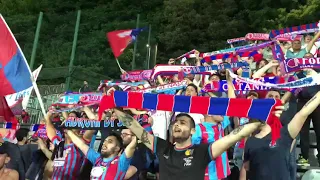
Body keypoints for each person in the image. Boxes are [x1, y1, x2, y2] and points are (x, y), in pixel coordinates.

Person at [113, 106, 284, 180]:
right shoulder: (162, 147)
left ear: (194, 131)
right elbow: (135, 127)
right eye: (175, 122)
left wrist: (264, 117)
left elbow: (233, 136)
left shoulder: (202, 151)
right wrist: (115, 109)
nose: (177, 124)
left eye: (183, 122)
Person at [243, 90, 320, 180]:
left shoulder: (285, 133)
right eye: (270, 96)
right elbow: (245, 169)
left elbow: (304, 111)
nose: (273, 100)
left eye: (276, 97)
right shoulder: (250, 140)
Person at [66, 130, 137, 179]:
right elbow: (81, 145)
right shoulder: (97, 159)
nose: (104, 144)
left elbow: (131, 148)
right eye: (104, 141)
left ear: (117, 148)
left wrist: (135, 137)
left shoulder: (120, 163)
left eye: (109, 142)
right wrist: (68, 131)